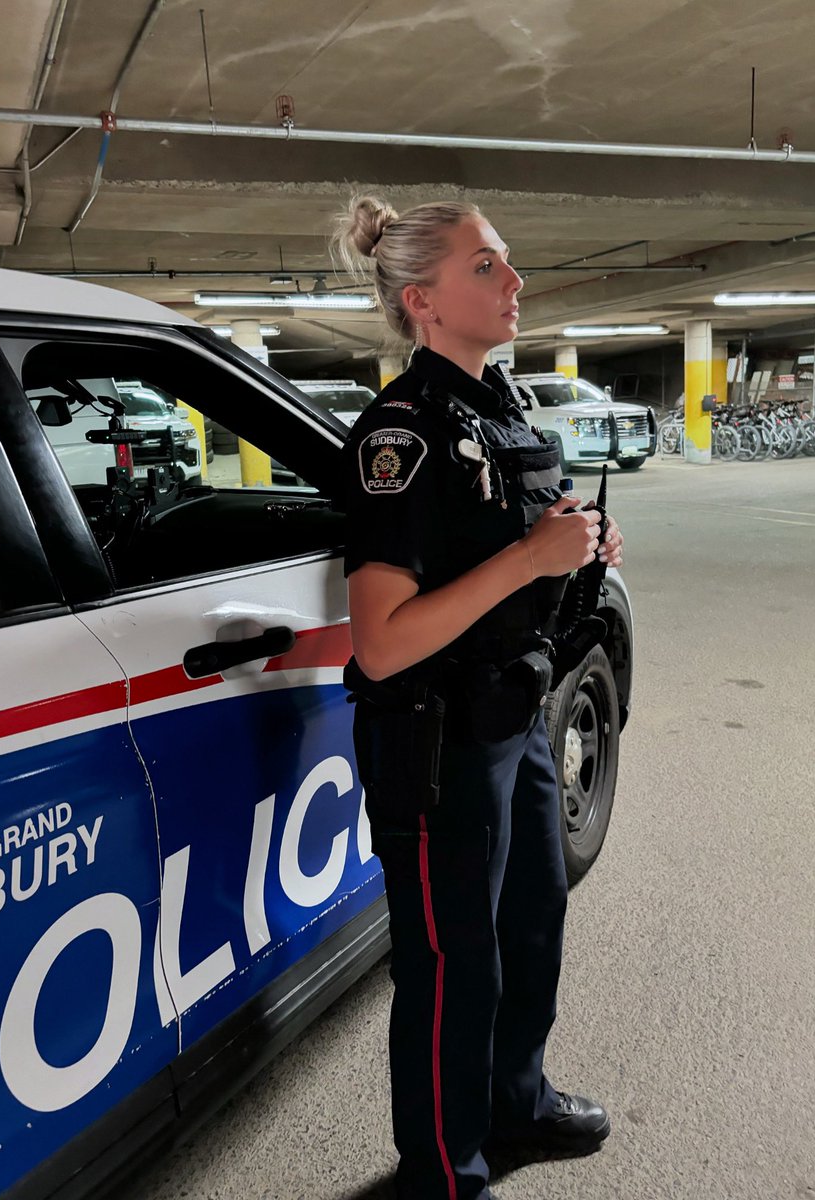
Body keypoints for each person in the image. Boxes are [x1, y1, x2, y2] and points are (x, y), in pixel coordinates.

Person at [333, 195, 625, 1200]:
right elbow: (380, 643)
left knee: (531, 923)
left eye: (507, 262)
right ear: (422, 299)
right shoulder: (400, 437)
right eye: (486, 267)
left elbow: (504, 554)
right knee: (453, 967)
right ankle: (445, 1173)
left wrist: (569, 553)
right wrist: (527, 558)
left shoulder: (495, 409)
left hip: (514, 716)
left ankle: (514, 1100)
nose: (515, 282)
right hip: (439, 738)